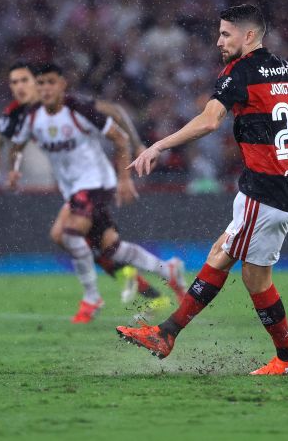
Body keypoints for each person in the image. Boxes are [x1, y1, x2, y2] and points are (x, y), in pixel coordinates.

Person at [116, 4, 288, 375]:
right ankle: (281, 357)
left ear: (249, 36)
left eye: (225, 34)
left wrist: (158, 146)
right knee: (232, 259)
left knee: (237, 267)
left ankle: (173, 336)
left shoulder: (240, 72)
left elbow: (209, 120)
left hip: (269, 190)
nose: (218, 41)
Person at [0, 63, 167, 312]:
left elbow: (113, 110)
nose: (20, 87)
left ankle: (99, 295)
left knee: (67, 234)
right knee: (101, 243)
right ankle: (150, 281)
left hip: (94, 181)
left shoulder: (70, 104)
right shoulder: (16, 114)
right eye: (14, 83)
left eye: (25, 80)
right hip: (70, 186)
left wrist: (137, 145)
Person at [9, 63, 186, 323]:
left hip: (97, 182)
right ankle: (168, 270)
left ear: (62, 85)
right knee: (111, 249)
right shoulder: (33, 117)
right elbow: (17, 145)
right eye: (41, 83)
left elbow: (119, 138)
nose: (45, 88)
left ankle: (92, 298)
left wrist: (125, 179)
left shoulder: (79, 110)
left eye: (50, 82)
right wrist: (13, 169)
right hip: (73, 190)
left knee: (69, 233)